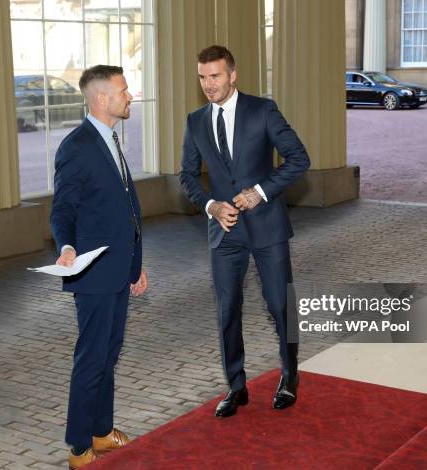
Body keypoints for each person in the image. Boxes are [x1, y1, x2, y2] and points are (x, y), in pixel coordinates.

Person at [180, 45, 310, 418]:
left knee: (279, 304)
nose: (208, 84)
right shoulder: (195, 121)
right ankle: (236, 386)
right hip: (224, 231)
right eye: (203, 77)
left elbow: (299, 158)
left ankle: (289, 375)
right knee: (227, 311)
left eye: (215, 76)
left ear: (232, 75)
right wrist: (210, 206)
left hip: (266, 225)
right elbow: (187, 175)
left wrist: (261, 191)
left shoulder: (262, 110)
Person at [50, 65, 148, 469]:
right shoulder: (77, 146)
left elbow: (123, 209)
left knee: (109, 356)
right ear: (101, 98)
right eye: (124, 90)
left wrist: (134, 266)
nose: (130, 96)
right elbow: (63, 209)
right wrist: (67, 245)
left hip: (118, 270)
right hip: (92, 274)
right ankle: (78, 448)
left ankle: (102, 431)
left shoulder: (109, 138)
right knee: (91, 360)